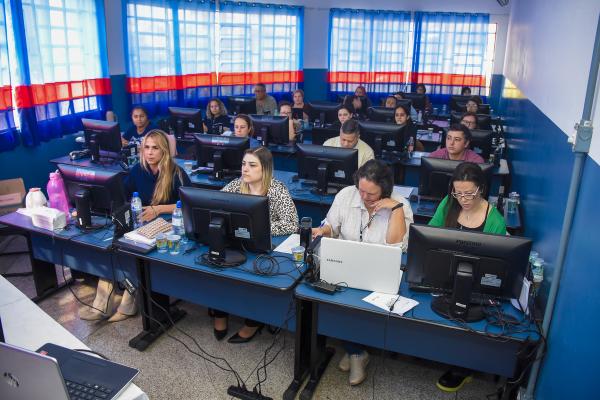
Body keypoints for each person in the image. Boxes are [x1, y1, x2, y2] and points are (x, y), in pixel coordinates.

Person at [312, 160, 414, 386]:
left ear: (385, 191)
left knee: (355, 301)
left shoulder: (401, 205)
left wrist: (394, 209)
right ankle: (356, 351)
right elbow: (332, 226)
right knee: (332, 295)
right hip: (344, 263)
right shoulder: (347, 195)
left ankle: (356, 352)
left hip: (379, 270)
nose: (364, 197)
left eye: (371, 193)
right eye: (362, 190)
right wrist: (323, 231)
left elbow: (398, 246)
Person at [80, 130, 191, 322]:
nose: (150, 152)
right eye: (146, 147)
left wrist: (157, 209)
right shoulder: (138, 170)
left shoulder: (176, 173)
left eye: (155, 148)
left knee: (134, 251)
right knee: (114, 248)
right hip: (143, 222)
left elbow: (188, 203)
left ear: (164, 150)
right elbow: (124, 193)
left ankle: (127, 306)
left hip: (168, 226)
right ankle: (101, 306)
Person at [428, 161, 506, 392]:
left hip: (475, 286)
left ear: (481, 188)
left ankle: (463, 365)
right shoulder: (448, 204)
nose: (463, 198)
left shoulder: (494, 220)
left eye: (469, 193)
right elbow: (430, 236)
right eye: (458, 192)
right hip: (444, 278)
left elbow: (497, 265)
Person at [212, 147, 299, 343]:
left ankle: (252, 322)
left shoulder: (276, 190)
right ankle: (219, 312)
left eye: (252, 165)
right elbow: (214, 205)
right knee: (217, 268)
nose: (245, 169)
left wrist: (259, 228)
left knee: (252, 278)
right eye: (244, 164)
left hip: (263, 247)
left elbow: (292, 223)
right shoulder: (236, 185)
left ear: (265, 169)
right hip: (236, 242)